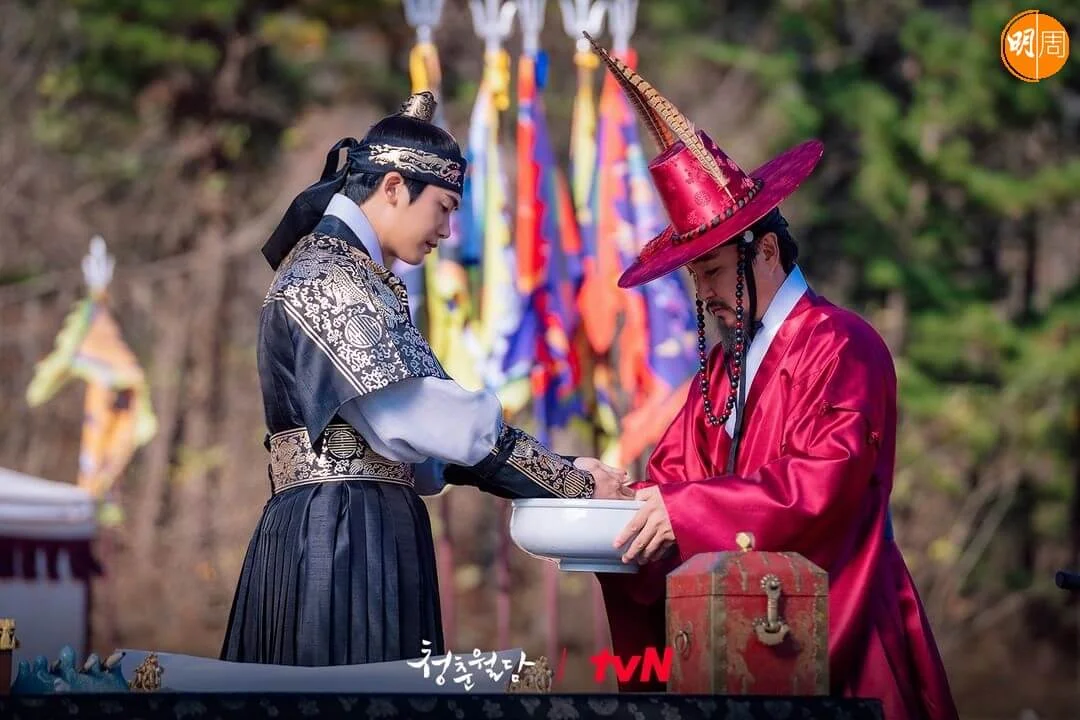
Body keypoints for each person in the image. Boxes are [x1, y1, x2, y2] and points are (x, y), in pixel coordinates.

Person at [583, 34, 959, 720]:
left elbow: (825, 486)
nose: (705, 297)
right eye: (697, 279)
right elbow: (677, 480)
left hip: (844, 635)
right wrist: (615, 498)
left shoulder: (843, 345)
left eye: (712, 272)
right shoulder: (721, 371)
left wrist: (681, 513)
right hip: (742, 638)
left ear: (763, 251)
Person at [221, 91, 630, 667]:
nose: (447, 229)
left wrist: (565, 472)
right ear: (393, 187)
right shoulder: (330, 276)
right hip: (342, 536)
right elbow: (426, 417)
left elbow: (431, 438)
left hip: (347, 523)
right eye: (443, 207)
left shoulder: (345, 271)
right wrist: (572, 483)